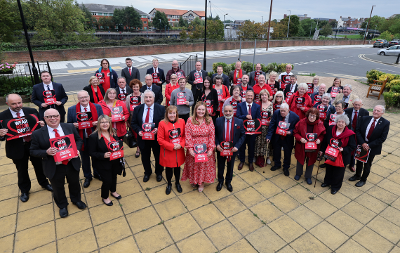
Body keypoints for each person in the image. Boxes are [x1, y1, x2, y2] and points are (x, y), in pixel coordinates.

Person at [30, 109, 86, 218]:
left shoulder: (69, 127)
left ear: (59, 117)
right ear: (45, 119)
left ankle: (76, 200)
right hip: (54, 166)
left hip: (71, 163)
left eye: (55, 116)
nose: (53, 118)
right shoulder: (37, 134)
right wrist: (46, 152)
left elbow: (79, 140)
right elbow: (32, 151)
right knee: (57, 187)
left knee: (74, 183)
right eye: (49, 117)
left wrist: (77, 149)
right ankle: (62, 205)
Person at [0, 94, 52, 202]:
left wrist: (43, 125)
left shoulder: (32, 111)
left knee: (39, 165)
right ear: (7, 104)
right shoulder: (2, 116)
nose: (17, 105)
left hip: (33, 145)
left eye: (19, 102)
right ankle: (24, 190)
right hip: (17, 147)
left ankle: (44, 183)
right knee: (22, 170)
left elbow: (40, 128)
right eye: (13, 104)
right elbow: (2, 136)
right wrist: (0, 134)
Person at [67, 90, 104, 188]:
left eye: (85, 97)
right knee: (84, 159)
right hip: (81, 138)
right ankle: (88, 176)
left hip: (95, 137)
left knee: (96, 156)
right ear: (78, 99)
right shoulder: (71, 109)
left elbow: (104, 121)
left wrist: (98, 122)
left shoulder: (97, 107)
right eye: (81, 98)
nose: (84, 99)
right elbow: (68, 125)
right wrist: (73, 125)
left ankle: (97, 173)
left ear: (89, 97)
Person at [350, 105, 390, 187]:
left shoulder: (385, 123)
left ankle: (363, 179)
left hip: (372, 147)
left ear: (382, 113)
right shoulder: (365, 118)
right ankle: (357, 175)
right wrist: (363, 143)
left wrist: (369, 145)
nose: (375, 112)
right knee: (359, 161)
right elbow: (357, 130)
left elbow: (382, 138)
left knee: (367, 164)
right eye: (375, 110)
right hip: (362, 144)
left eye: (378, 111)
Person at [131, 90, 166, 182]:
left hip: (156, 138)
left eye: (150, 97)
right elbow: (133, 123)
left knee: (158, 156)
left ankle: (159, 172)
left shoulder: (161, 108)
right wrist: (138, 131)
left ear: (154, 98)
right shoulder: (138, 109)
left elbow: (165, 122)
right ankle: (147, 172)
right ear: (143, 98)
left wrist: (158, 128)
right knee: (145, 157)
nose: (148, 99)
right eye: (146, 97)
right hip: (143, 138)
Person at [88, 115, 123, 206]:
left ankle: (113, 191)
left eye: (106, 122)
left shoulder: (113, 132)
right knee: (107, 180)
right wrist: (103, 155)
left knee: (114, 177)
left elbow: (118, 144)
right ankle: (105, 196)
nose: (105, 124)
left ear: (109, 123)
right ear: (98, 124)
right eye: (102, 122)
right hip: (102, 163)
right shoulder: (93, 136)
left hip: (115, 161)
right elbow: (91, 152)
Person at [181, 102, 216, 192]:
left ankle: (201, 182)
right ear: (195, 110)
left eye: (203, 109)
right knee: (194, 165)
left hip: (206, 148)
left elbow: (212, 135)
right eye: (199, 109)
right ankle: (194, 180)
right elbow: (187, 135)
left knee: (203, 166)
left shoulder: (209, 120)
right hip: (194, 148)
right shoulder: (190, 120)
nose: (201, 111)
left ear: (205, 111)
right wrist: (190, 148)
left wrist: (211, 148)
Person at [320, 114, 356, 194]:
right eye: (339, 121)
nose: (340, 123)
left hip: (342, 157)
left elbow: (353, 146)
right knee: (329, 169)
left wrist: (343, 149)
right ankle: (327, 182)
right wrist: (322, 150)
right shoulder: (330, 129)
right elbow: (325, 140)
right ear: (336, 122)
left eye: (343, 122)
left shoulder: (350, 133)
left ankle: (335, 187)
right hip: (330, 154)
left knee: (338, 172)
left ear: (346, 124)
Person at [215, 105, 245, 192]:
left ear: (233, 112)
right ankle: (220, 181)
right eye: (226, 111)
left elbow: (243, 135)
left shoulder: (239, 122)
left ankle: (228, 182)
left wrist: (237, 146)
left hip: (233, 150)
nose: (228, 113)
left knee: (230, 166)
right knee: (220, 166)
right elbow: (215, 134)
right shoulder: (218, 120)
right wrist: (217, 144)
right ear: (223, 111)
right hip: (221, 149)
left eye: (230, 111)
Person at [157, 106, 185, 194]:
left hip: (179, 150)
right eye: (170, 113)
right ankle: (169, 184)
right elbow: (160, 139)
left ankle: (177, 182)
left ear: (176, 114)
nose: (172, 115)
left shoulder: (182, 121)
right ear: (167, 114)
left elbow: (185, 136)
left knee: (177, 168)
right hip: (168, 151)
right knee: (168, 168)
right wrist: (172, 146)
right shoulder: (162, 123)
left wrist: (181, 145)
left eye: (174, 113)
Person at [293, 108, 326, 184]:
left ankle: (308, 176)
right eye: (310, 115)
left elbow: (322, 135)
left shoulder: (320, 124)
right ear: (308, 115)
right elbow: (295, 132)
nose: (312, 117)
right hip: (301, 145)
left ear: (317, 116)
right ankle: (298, 174)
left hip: (313, 147)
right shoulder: (301, 122)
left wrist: (319, 140)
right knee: (300, 160)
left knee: (310, 161)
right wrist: (300, 138)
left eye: (314, 116)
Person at [266, 103, 300, 176]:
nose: (282, 112)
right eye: (281, 111)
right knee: (276, 152)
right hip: (277, 137)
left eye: (284, 111)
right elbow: (272, 125)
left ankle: (286, 167)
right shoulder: (276, 113)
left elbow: (296, 128)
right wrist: (268, 137)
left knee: (287, 153)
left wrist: (290, 132)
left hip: (287, 138)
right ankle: (277, 164)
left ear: (288, 110)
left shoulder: (295, 117)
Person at [236, 90, 261, 172]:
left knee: (251, 147)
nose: (249, 97)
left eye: (251, 96)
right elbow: (238, 116)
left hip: (252, 131)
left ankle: (250, 162)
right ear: (245, 96)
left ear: (253, 97)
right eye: (248, 95)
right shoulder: (240, 105)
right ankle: (242, 161)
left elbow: (258, 118)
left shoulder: (257, 106)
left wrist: (254, 128)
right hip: (243, 130)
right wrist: (245, 116)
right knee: (242, 147)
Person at [345, 98, 369, 172]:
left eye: (359, 105)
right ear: (353, 104)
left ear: (361, 105)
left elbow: (365, 124)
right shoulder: (347, 110)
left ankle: (352, 165)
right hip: (349, 132)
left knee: (355, 149)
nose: (357, 106)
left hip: (358, 134)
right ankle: (345, 162)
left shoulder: (365, 112)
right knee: (348, 147)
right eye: (355, 104)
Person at [254, 89, 273, 167]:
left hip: (267, 127)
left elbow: (273, 116)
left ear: (268, 96)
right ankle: (256, 156)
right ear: (260, 96)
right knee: (257, 142)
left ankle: (267, 157)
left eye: (265, 95)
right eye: (262, 95)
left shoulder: (271, 104)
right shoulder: (257, 104)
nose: (264, 96)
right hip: (259, 126)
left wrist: (270, 121)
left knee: (266, 142)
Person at [125, 79, 143, 158]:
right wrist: (127, 121)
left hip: (143, 118)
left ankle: (143, 147)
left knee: (143, 133)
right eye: (133, 87)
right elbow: (127, 109)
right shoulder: (128, 97)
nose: (135, 88)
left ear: (139, 87)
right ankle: (138, 149)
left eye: (137, 87)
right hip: (133, 118)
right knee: (136, 135)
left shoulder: (143, 96)